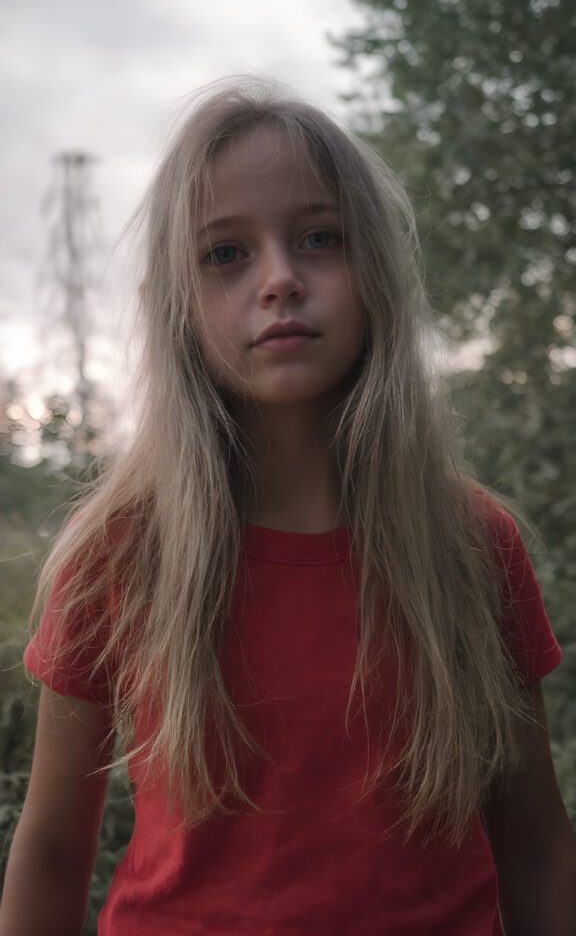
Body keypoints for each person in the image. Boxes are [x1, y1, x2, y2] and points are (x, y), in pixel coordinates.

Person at [1, 78, 574, 936]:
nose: (278, 279)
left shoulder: (471, 545)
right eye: (225, 254)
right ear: (180, 307)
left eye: (318, 238)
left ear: (375, 266)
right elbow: (49, 855)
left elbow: (535, 850)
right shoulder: (118, 552)